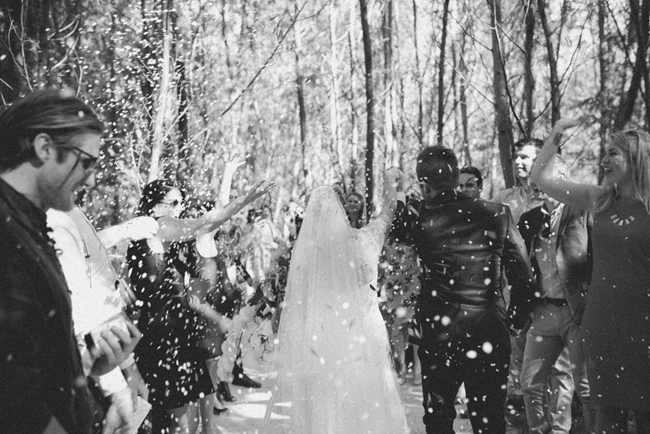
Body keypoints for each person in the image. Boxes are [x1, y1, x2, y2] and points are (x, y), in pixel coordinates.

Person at [0, 88, 141, 434]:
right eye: (86, 162)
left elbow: (28, 352)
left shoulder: (29, 225)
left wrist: (88, 359)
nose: (92, 180)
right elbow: (12, 391)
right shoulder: (6, 234)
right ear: (45, 147)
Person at [391, 146, 536, 434]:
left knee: (439, 419)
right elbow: (523, 275)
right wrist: (517, 319)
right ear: (456, 175)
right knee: (489, 419)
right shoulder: (497, 213)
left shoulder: (418, 216)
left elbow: (387, 234)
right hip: (489, 330)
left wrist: (393, 192)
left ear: (424, 182)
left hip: (440, 333)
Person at [261, 168, 408, 434]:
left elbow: (293, 304)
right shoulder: (364, 240)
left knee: (324, 404)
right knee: (364, 402)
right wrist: (392, 184)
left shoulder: (306, 258)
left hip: (320, 338)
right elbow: (389, 211)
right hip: (362, 334)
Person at [531, 119, 650, 434]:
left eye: (613, 154)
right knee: (604, 415)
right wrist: (555, 134)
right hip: (602, 324)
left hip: (645, 325)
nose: (604, 161)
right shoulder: (598, 199)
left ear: (636, 157)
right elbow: (541, 177)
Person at [127, 179, 273, 434]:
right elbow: (203, 224)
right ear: (154, 206)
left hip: (175, 335)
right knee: (178, 425)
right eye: (173, 203)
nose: (179, 208)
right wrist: (245, 201)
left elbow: (209, 225)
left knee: (186, 420)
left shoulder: (152, 232)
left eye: (180, 202)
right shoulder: (156, 226)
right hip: (162, 339)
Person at [48, 206, 157, 434]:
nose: (90, 180)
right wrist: (117, 387)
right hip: (76, 377)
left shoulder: (64, 208)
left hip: (94, 365)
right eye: (85, 167)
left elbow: (89, 252)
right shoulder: (53, 216)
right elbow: (80, 311)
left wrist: (124, 230)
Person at [493, 137, 575, 419]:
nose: (519, 162)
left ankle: (561, 423)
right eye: (516, 156)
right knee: (524, 370)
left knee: (560, 372)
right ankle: (522, 419)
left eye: (527, 158)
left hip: (562, 301)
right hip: (520, 294)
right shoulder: (510, 202)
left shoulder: (569, 207)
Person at [517, 157, 594, 434]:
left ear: (563, 178)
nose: (540, 182)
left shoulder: (582, 213)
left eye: (547, 175)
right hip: (542, 313)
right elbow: (522, 266)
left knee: (585, 388)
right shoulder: (530, 219)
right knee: (530, 384)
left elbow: (596, 260)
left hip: (577, 312)